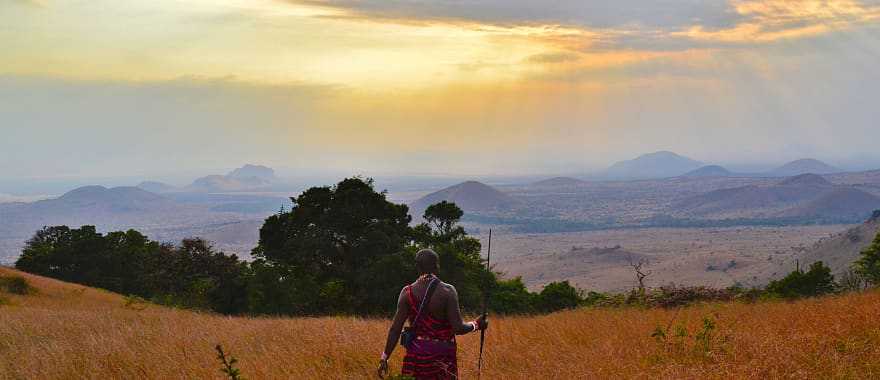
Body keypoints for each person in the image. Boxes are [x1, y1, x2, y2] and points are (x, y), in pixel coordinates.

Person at [378, 249, 488, 379]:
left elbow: (395, 330)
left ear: (417, 267)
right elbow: (458, 328)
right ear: (437, 266)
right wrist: (476, 324)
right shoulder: (448, 291)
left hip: (415, 357)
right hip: (443, 359)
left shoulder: (406, 293)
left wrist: (384, 358)